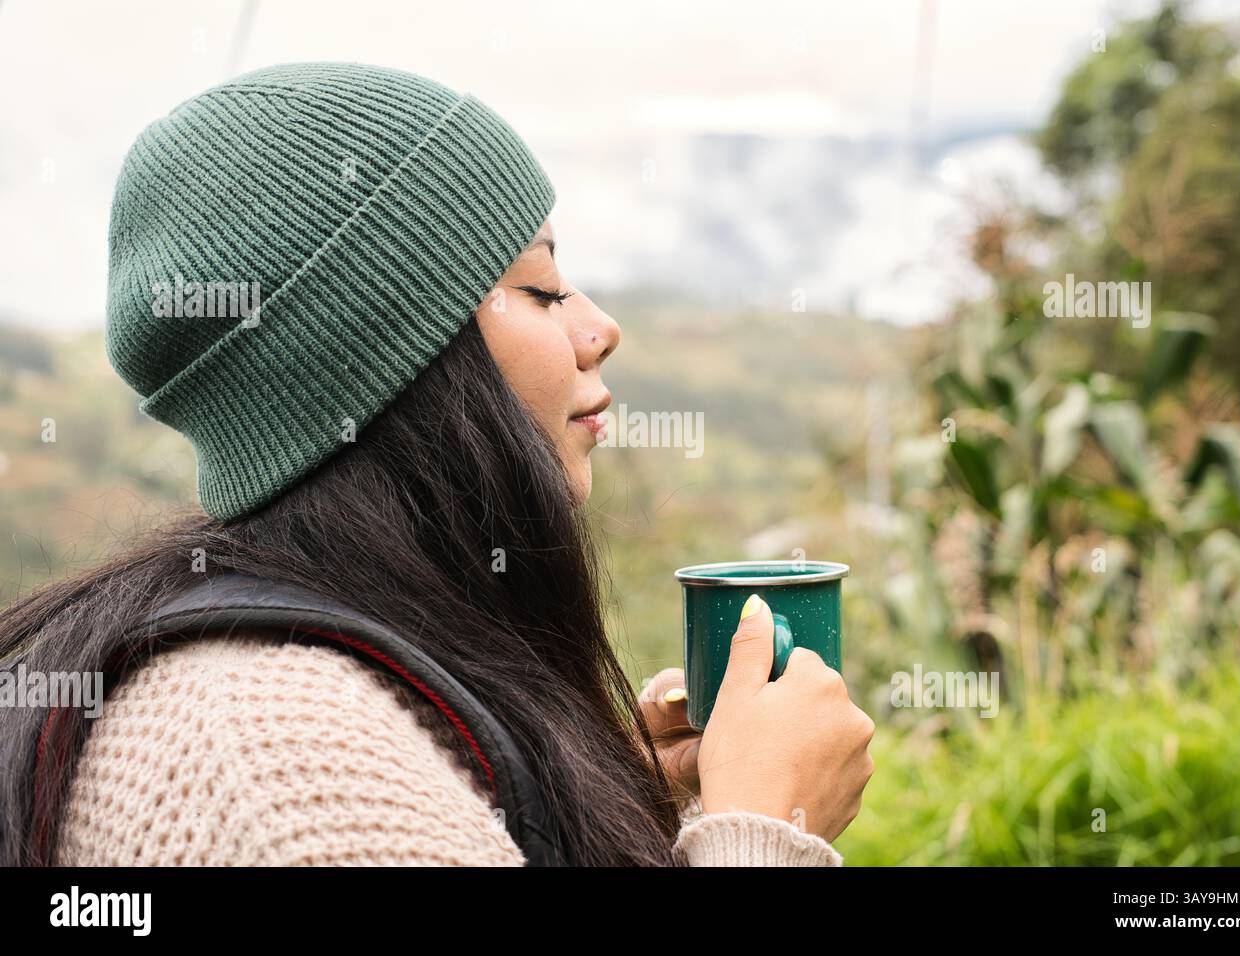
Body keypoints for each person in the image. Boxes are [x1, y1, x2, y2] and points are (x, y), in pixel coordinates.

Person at [0, 62, 875, 866]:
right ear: (388, 366)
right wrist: (762, 829)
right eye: (538, 289)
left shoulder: (329, 685)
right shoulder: (278, 767)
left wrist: (612, 798)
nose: (600, 328)